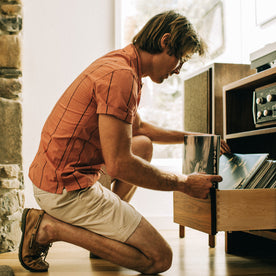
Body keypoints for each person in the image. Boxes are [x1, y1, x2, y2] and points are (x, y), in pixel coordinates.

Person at [19, 10, 230, 274]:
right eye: (180, 60)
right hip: (65, 189)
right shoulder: (121, 76)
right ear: (165, 42)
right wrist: (185, 184)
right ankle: (48, 228)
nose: (178, 70)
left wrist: (192, 138)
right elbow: (120, 166)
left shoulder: (123, 63)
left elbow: (139, 128)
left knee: (142, 144)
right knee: (160, 259)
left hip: (57, 175)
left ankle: (102, 238)